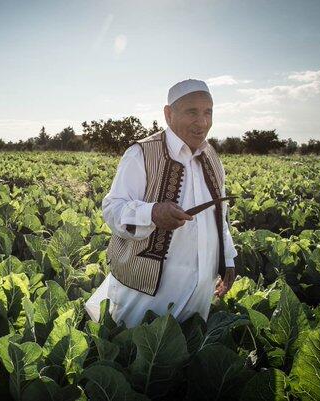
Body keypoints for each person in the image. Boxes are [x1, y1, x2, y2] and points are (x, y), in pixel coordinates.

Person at [84, 79, 238, 328]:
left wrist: (227, 258)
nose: (202, 122)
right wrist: (152, 213)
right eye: (192, 112)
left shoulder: (211, 157)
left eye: (208, 112)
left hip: (200, 291)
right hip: (147, 293)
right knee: (137, 353)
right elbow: (113, 209)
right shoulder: (141, 153)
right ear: (168, 114)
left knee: (185, 355)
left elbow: (220, 215)